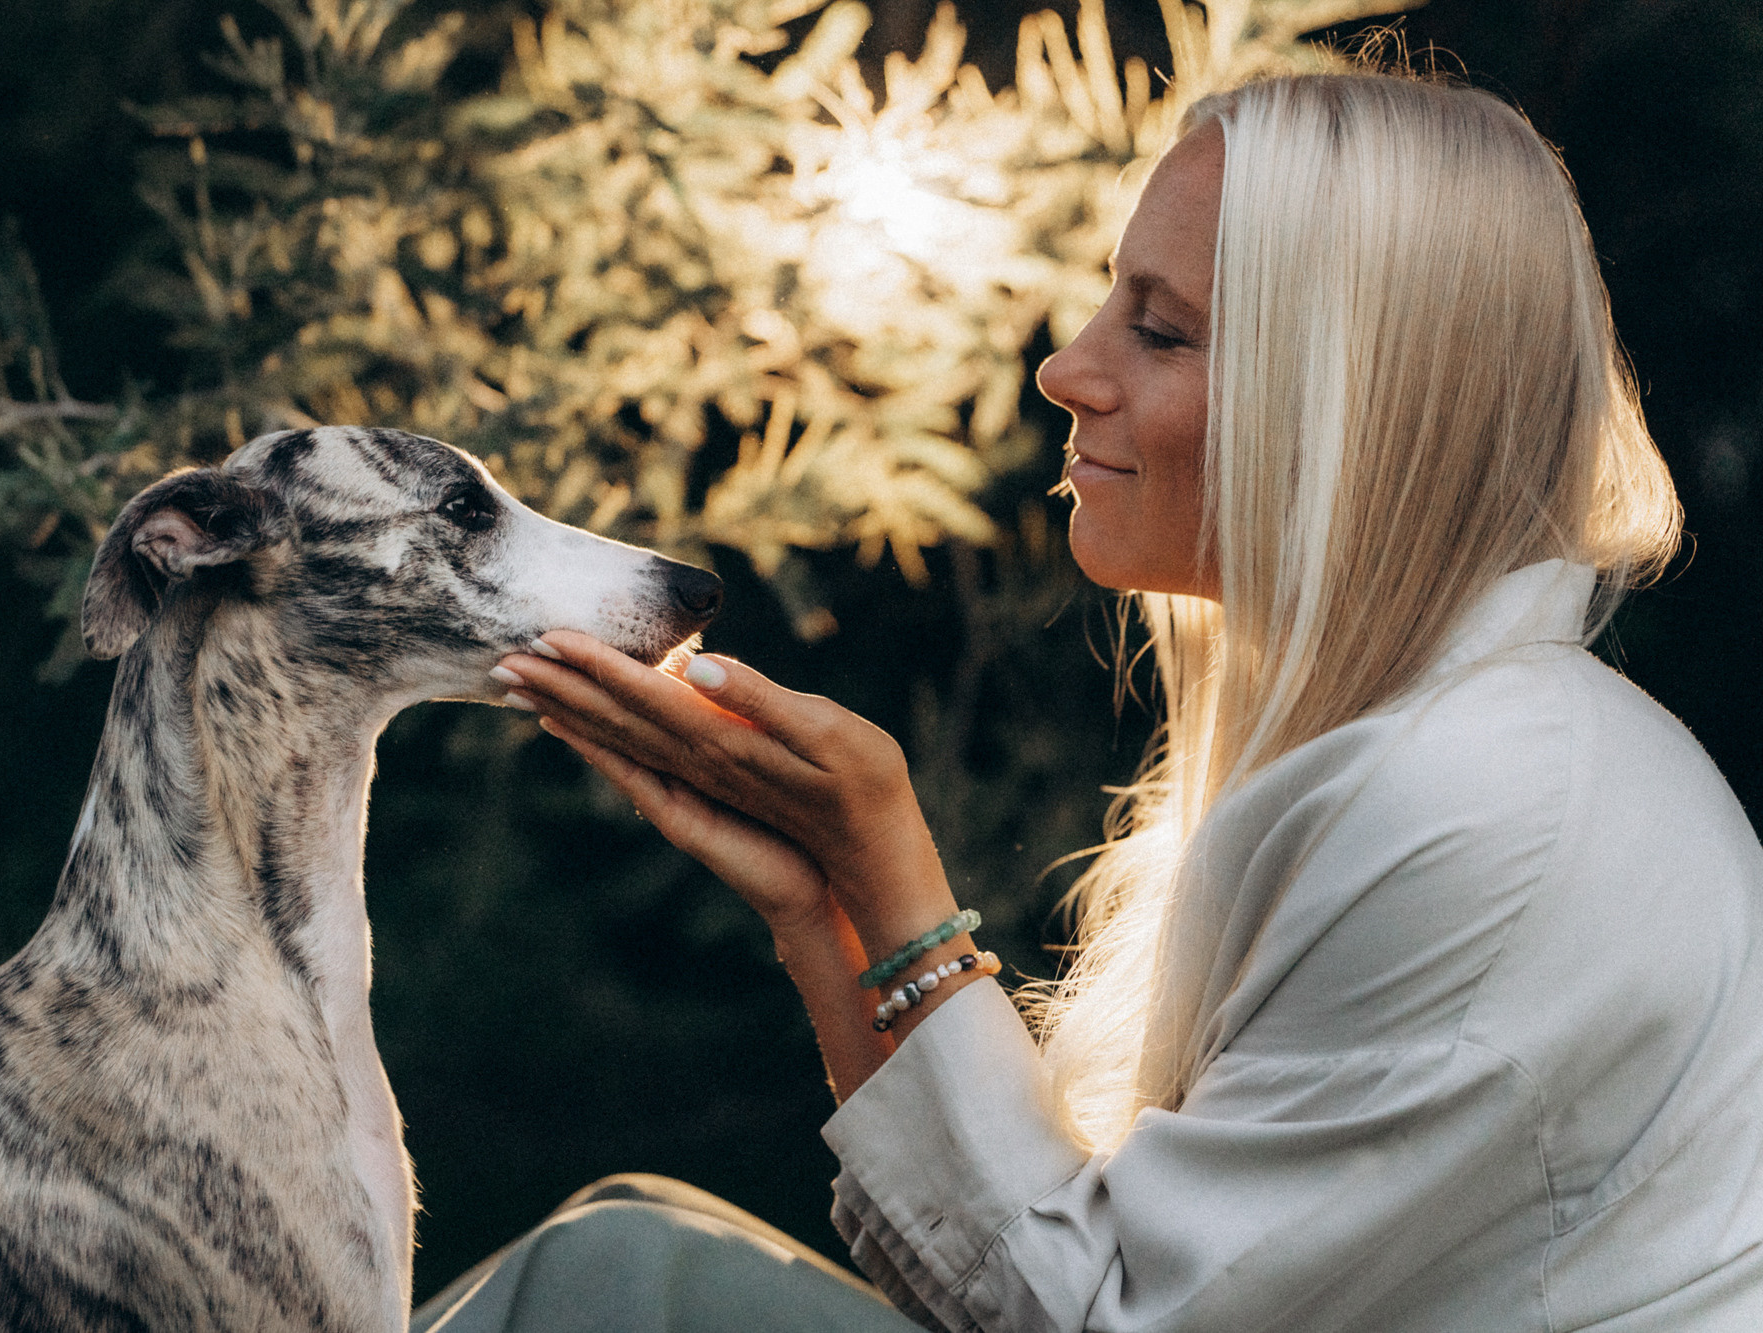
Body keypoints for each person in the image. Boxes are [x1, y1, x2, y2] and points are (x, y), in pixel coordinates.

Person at [421, 69, 1763, 1332]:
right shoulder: (1452, 746)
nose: (1068, 368)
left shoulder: (1490, 803)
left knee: (613, 1278)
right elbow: (1011, 1279)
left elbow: (1087, 1308)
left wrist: (891, 877)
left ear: (1349, 405)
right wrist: (817, 907)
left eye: (1161, 328)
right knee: (627, 1225)